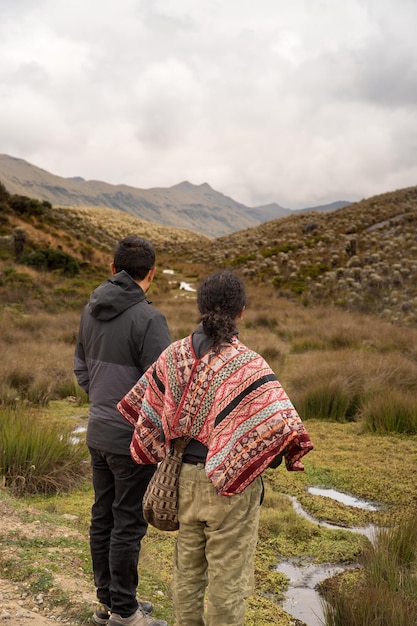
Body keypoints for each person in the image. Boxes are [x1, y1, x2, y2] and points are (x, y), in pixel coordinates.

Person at [117, 270, 314, 626]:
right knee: (228, 580)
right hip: (230, 489)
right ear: (241, 312)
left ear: (201, 308)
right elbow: (284, 429)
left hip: (183, 482)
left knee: (188, 575)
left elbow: (143, 407)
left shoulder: (173, 354)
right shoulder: (249, 365)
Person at [74, 235, 171, 626]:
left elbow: (81, 369)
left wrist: (102, 402)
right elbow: (166, 388)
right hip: (132, 441)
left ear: (113, 269)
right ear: (150, 273)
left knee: (104, 517)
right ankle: (126, 613)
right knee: (127, 522)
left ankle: (109, 603)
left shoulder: (89, 310)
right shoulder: (150, 319)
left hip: (97, 432)